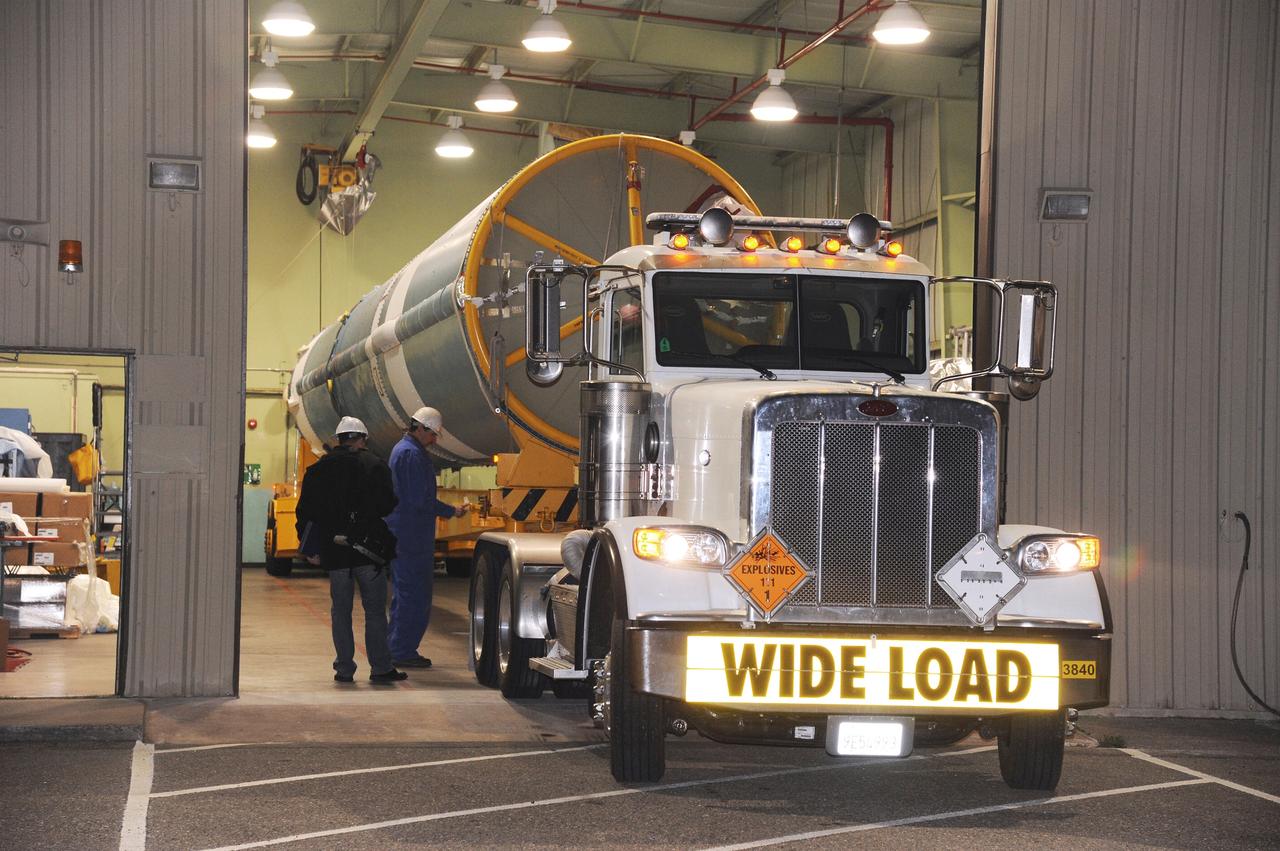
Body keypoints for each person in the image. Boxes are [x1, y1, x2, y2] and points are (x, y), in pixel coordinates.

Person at [295, 416, 407, 684]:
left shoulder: (318, 470)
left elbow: (305, 512)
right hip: (368, 552)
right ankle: (380, 667)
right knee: (374, 611)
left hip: (335, 554)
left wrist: (308, 546)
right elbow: (387, 504)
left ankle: (344, 669)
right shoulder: (374, 466)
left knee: (341, 611)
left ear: (339, 439)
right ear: (362, 439)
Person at [386, 406, 463, 669]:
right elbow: (420, 500)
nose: (434, 440)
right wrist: (451, 511)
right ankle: (401, 650)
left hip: (405, 534)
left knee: (404, 593)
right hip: (411, 537)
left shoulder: (404, 450)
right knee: (414, 596)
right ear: (419, 428)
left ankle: (394, 646)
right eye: (432, 434)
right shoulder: (411, 455)